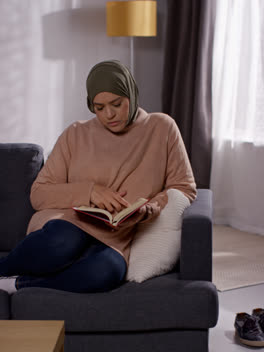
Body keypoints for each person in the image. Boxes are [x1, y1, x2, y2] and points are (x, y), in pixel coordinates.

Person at [0, 60, 196, 294]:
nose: (109, 114)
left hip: (117, 235)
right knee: (63, 243)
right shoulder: (75, 133)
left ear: (131, 95)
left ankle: (16, 285)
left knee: (106, 271)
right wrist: (90, 191)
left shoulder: (162, 127)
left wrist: (151, 208)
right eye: (99, 107)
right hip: (69, 222)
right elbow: (39, 194)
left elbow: (184, 188)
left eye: (116, 104)